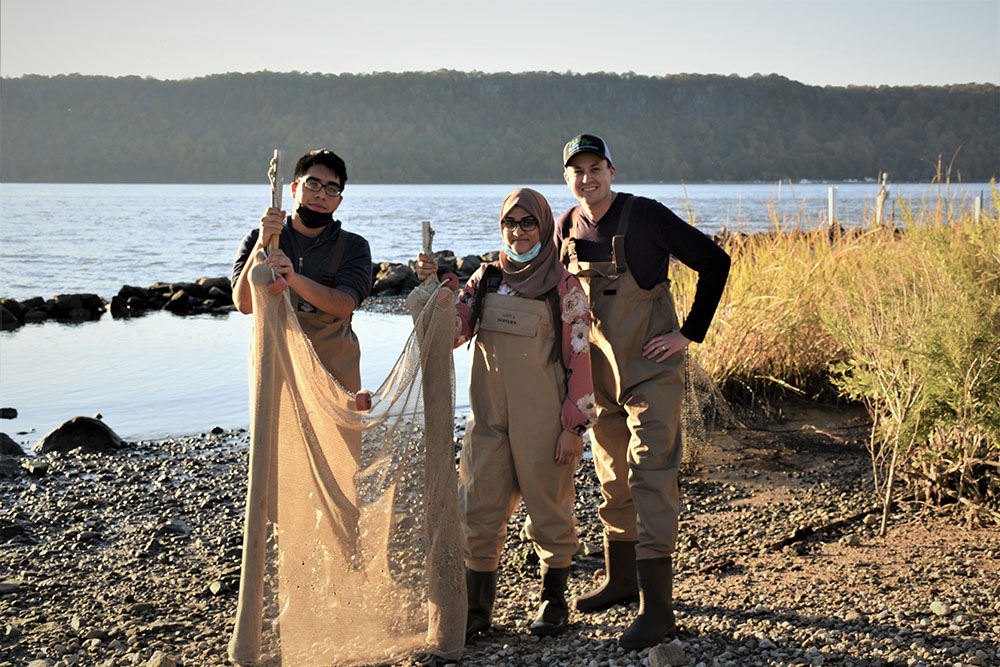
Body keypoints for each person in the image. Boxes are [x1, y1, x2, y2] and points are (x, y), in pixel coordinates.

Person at [556, 134, 731, 649]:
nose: (586, 179)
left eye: (595, 168)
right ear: (567, 178)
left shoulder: (647, 215)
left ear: (611, 170)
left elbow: (714, 262)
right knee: (611, 475)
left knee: (651, 475)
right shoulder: (566, 225)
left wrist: (689, 333)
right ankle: (621, 580)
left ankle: (658, 612)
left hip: (652, 369)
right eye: (576, 171)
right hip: (598, 372)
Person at [415, 188, 596, 639]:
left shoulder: (565, 287)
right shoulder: (486, 280)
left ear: (544, 226)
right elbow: (454, 333)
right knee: (477, 512)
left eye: (527, 223)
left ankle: (554, 604)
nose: (518, 232)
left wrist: (574, 427)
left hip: (545, 424)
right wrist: (435, 293)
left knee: (551, 513)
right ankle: (477, 613)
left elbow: (580, 358)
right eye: (509, 224)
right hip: (488, 422)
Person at [232, 149, 372, 393]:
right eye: (313, 184)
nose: (321, 195)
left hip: (335, 377)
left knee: (340, 432)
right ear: (295, 189)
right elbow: (243, 304)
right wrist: (261, 244)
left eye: (331, 189)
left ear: (339, 201)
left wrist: (292, 278)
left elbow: (344, 305)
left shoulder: (354, 246)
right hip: (277, 374)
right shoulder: (259, 238)